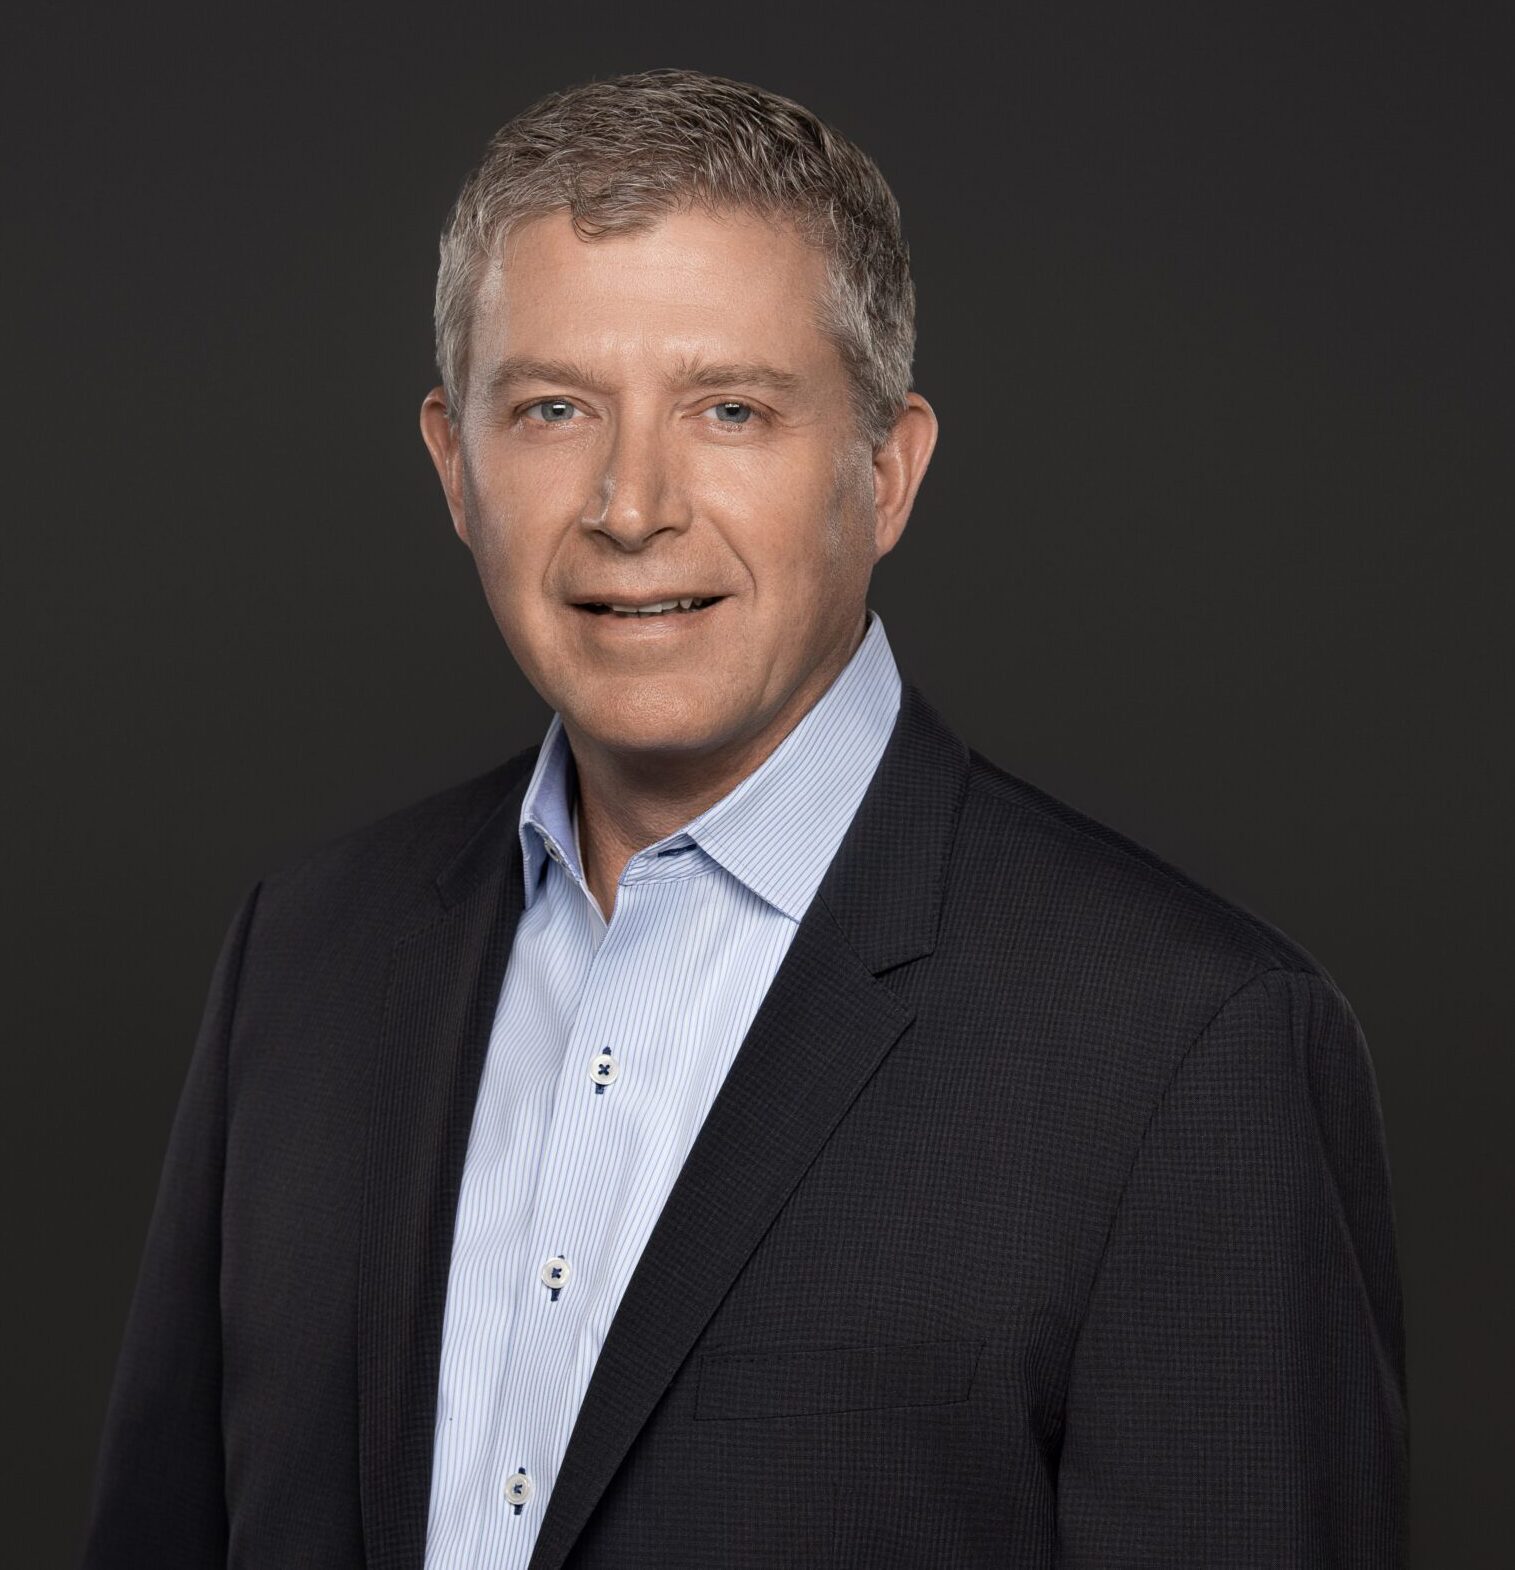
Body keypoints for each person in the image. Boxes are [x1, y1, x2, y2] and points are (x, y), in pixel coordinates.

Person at [81, 67, 1407, 1569]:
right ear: (456, 466)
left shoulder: (1192, 1047)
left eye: (731, 409)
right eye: (554, 409)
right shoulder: (305, 954)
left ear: (886, 471)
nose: (631, 504)